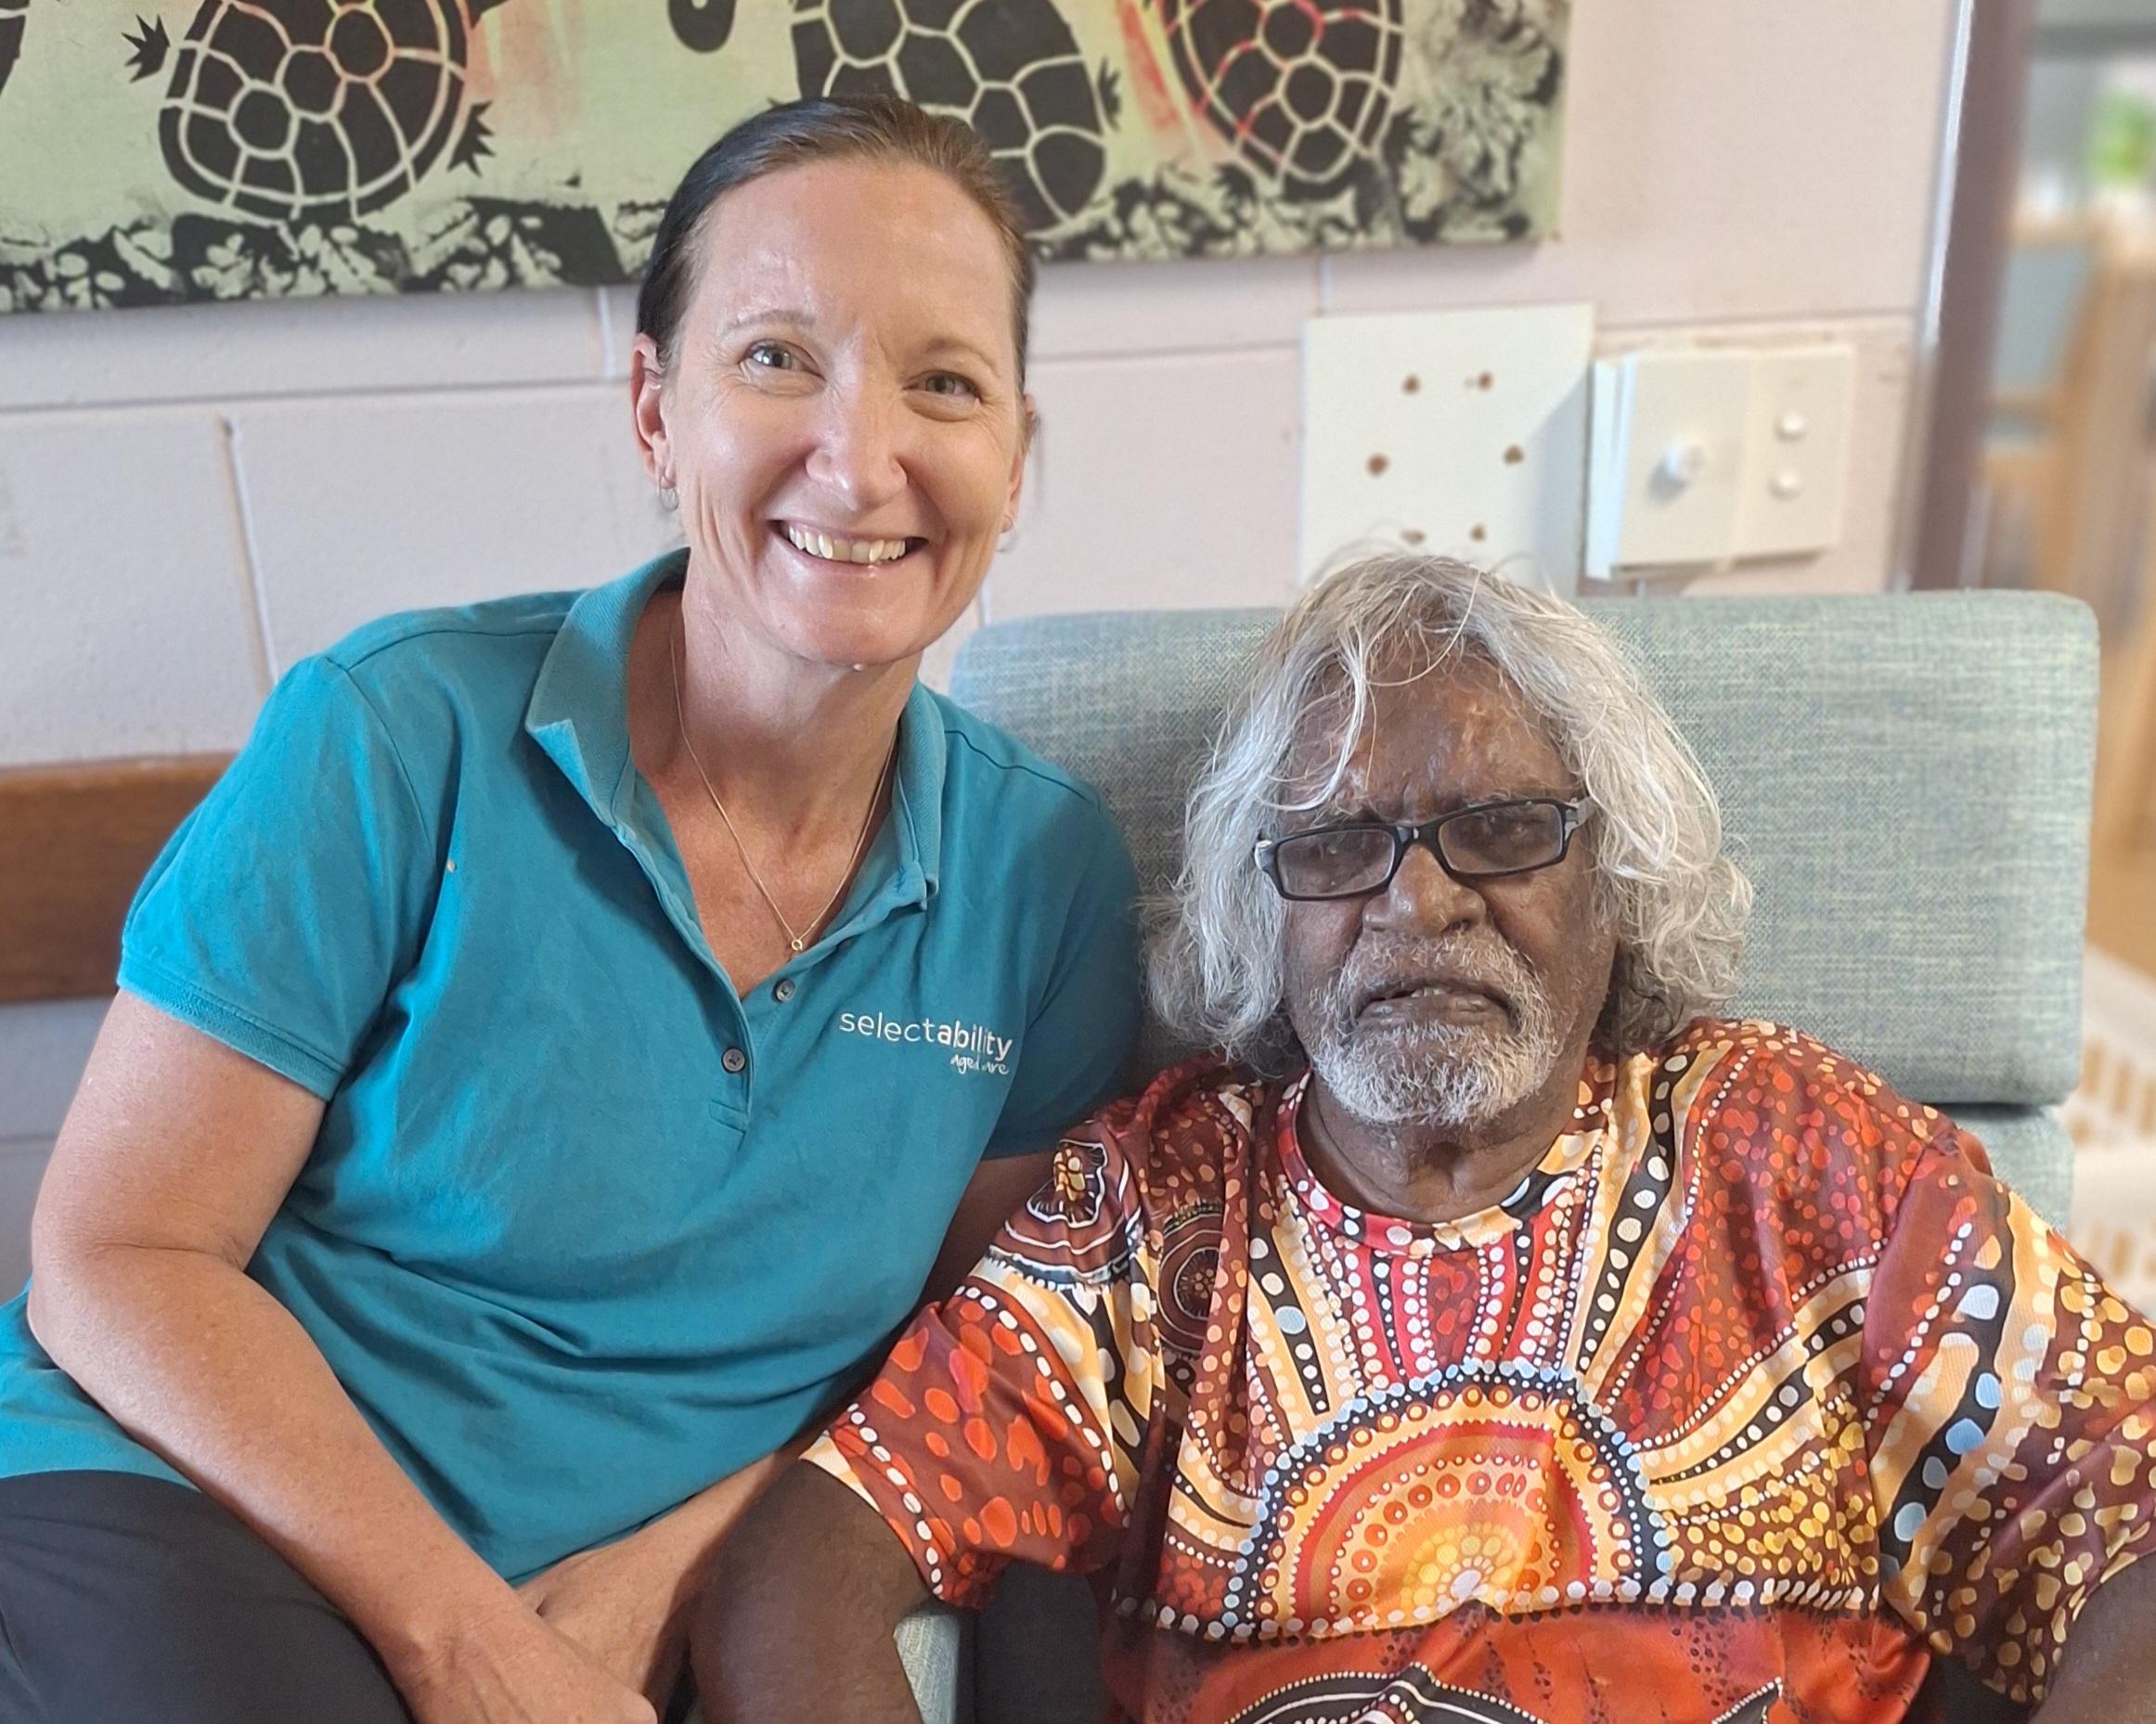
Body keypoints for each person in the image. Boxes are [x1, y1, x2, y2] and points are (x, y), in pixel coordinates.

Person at [0, 97, 1141, 1724]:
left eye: (944, 384)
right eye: (776, 359)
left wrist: (696, 1558)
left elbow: (972, 1342)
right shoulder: (393, 730)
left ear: (1015, 461)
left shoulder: (1048, 872)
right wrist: (464, 1638)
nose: (859, 454)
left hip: (598, 1585)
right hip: (196, 1494)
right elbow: (119, 1250)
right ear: (656, 410)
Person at [701, 554, 2156, 1724]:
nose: (1417, 900)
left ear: (1614, 876)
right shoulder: (1158, 1204)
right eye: (1337, 846)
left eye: (1503, 828)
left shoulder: (1806, 1158)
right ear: (1264, 913)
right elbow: (812, 1555)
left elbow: (2132, 1512)